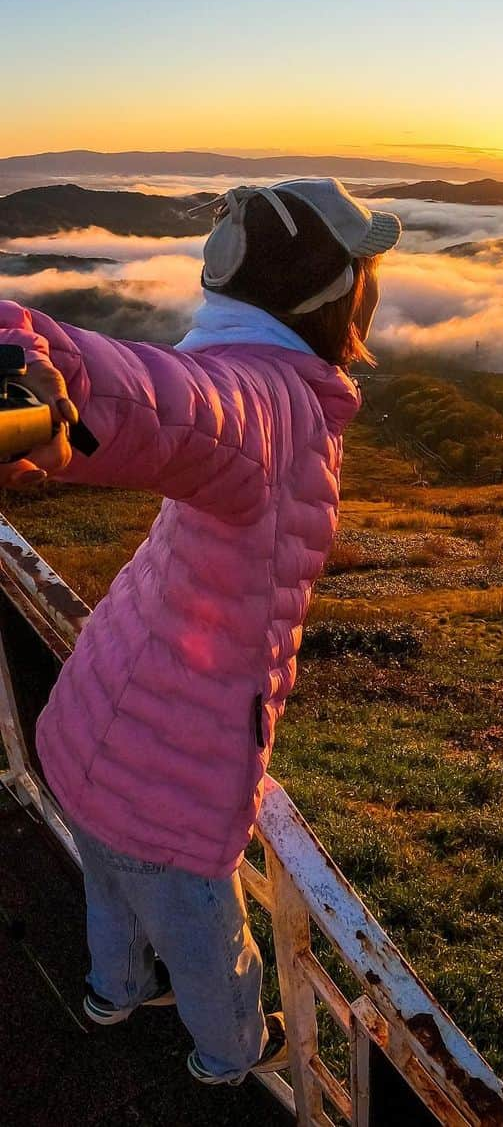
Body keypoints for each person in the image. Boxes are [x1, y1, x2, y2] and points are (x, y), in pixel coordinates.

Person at [0, 178, 401, 1086]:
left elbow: (174, 390)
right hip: (173, 769)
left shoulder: (247, 370)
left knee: (108, 877)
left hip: (88, 713)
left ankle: (113, 989)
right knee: (206, 936)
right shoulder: (273, 404)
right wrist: (45, 376)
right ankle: (228, 1056)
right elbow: (159, 399)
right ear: (334, 295)